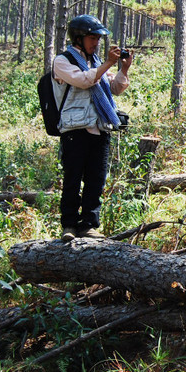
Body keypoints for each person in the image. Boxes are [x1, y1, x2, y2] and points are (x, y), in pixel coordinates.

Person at [53, 14, 132, 240]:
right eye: (92, 38)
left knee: (96, 179)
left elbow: (115, 88)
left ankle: (89, 225)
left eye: (98, 38)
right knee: (72, 179)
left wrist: (123, 69)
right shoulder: (62, 61)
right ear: (78, 38)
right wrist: (108, 63)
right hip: (75, 130)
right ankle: (69, 226)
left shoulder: (96, 63)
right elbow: (85, 80)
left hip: (100, 127)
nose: (96, 42)